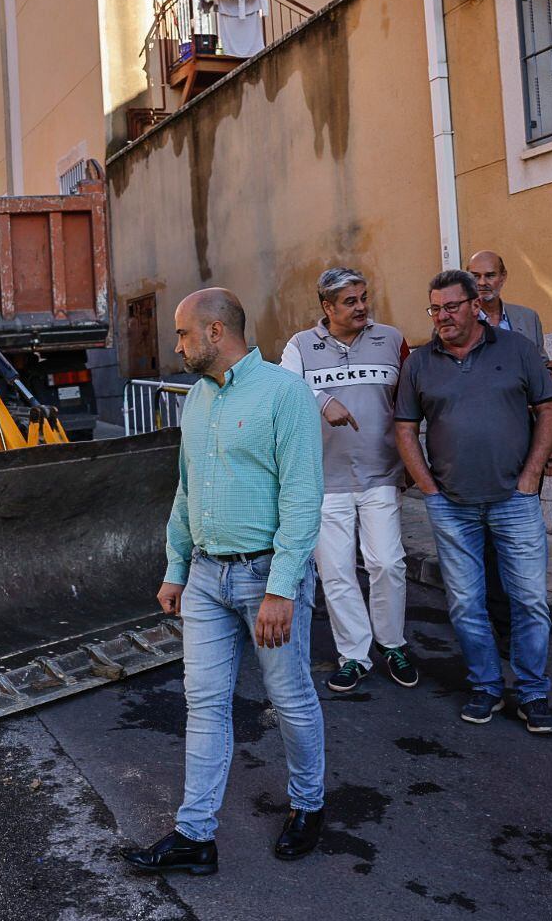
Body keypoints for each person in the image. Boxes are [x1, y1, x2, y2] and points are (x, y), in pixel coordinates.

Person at [123, 288, 326, 875]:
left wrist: (283, 589)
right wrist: (175, 567)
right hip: (208, 580)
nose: (177, 344)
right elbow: (187, 492)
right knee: (204, 704)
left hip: (267, 576)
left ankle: (309, 805)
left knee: (289, 699)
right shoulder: (196, 401)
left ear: (216, 333)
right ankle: (195, 835)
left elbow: (303, 497)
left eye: (184, 334)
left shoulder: (285, 394)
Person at [393, 271, 552, 734]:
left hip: (515, 499)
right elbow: (405, 428)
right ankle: (486, 686)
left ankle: (533, 693)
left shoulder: (517, 349)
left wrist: (531, 476)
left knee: (529, 600)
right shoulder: (420, 363)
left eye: (450, 307)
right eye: (434, 309)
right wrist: (427, 487)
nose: (442, 317)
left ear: (475, 306)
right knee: (467, 604)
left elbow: (549, 409)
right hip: (452, 505)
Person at [278, 268, 415, 694]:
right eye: (350, 301)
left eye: (363, 298)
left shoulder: (391, 339)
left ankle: (392, 644)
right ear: (327, 307)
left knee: (387, 562)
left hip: (381, 473)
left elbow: (410, 402)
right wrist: (322, 400)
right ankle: (354, 655)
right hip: (324, 480)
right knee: (336, 571)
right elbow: (282, 390)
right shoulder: (300, 345)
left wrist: (413, 462)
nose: (361, 307)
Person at [466, 251, 545, 357]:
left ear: (503, 277)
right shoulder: (457, 321)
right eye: (475, 276)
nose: (482, 283)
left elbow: (541, 365)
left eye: (490, 276)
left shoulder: (529, 319)